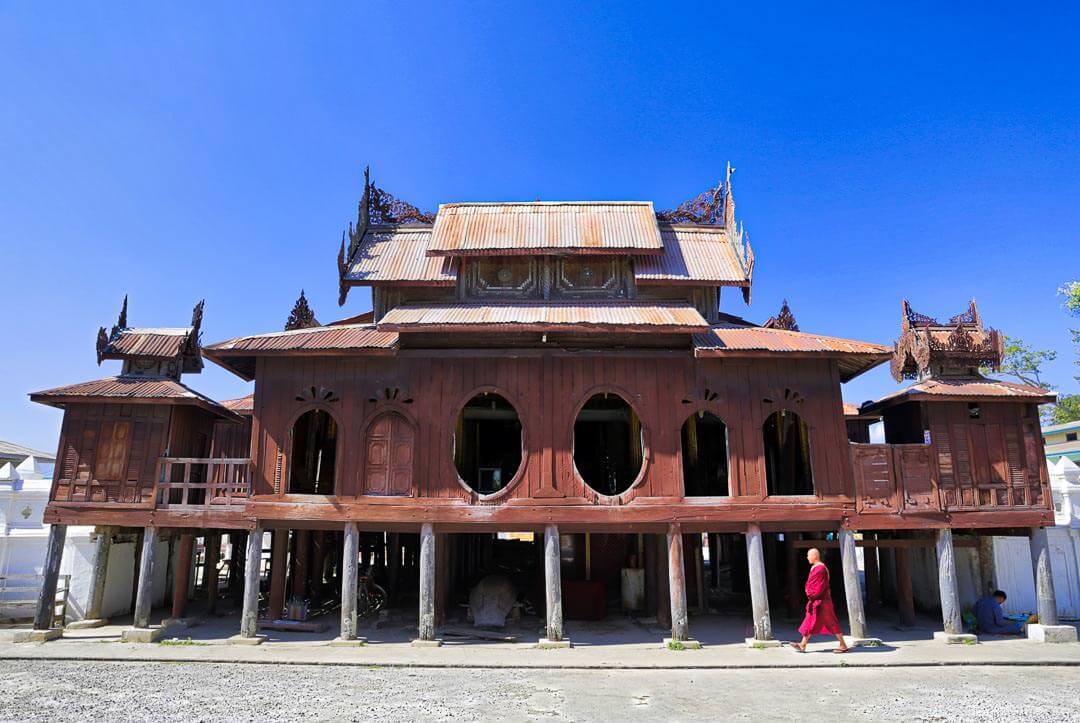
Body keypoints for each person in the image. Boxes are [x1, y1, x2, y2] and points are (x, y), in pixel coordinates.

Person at [793, 547, 848, 653]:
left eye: (809, 555)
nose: (807, 557)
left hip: (822, 601)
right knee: (810, 621)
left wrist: (810, 593)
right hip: (817, 601)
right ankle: (802, 645)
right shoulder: (816, 567)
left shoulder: (820, 568)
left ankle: (843, 644)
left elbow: (819, 586)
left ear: (815, 556)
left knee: (831, 622)